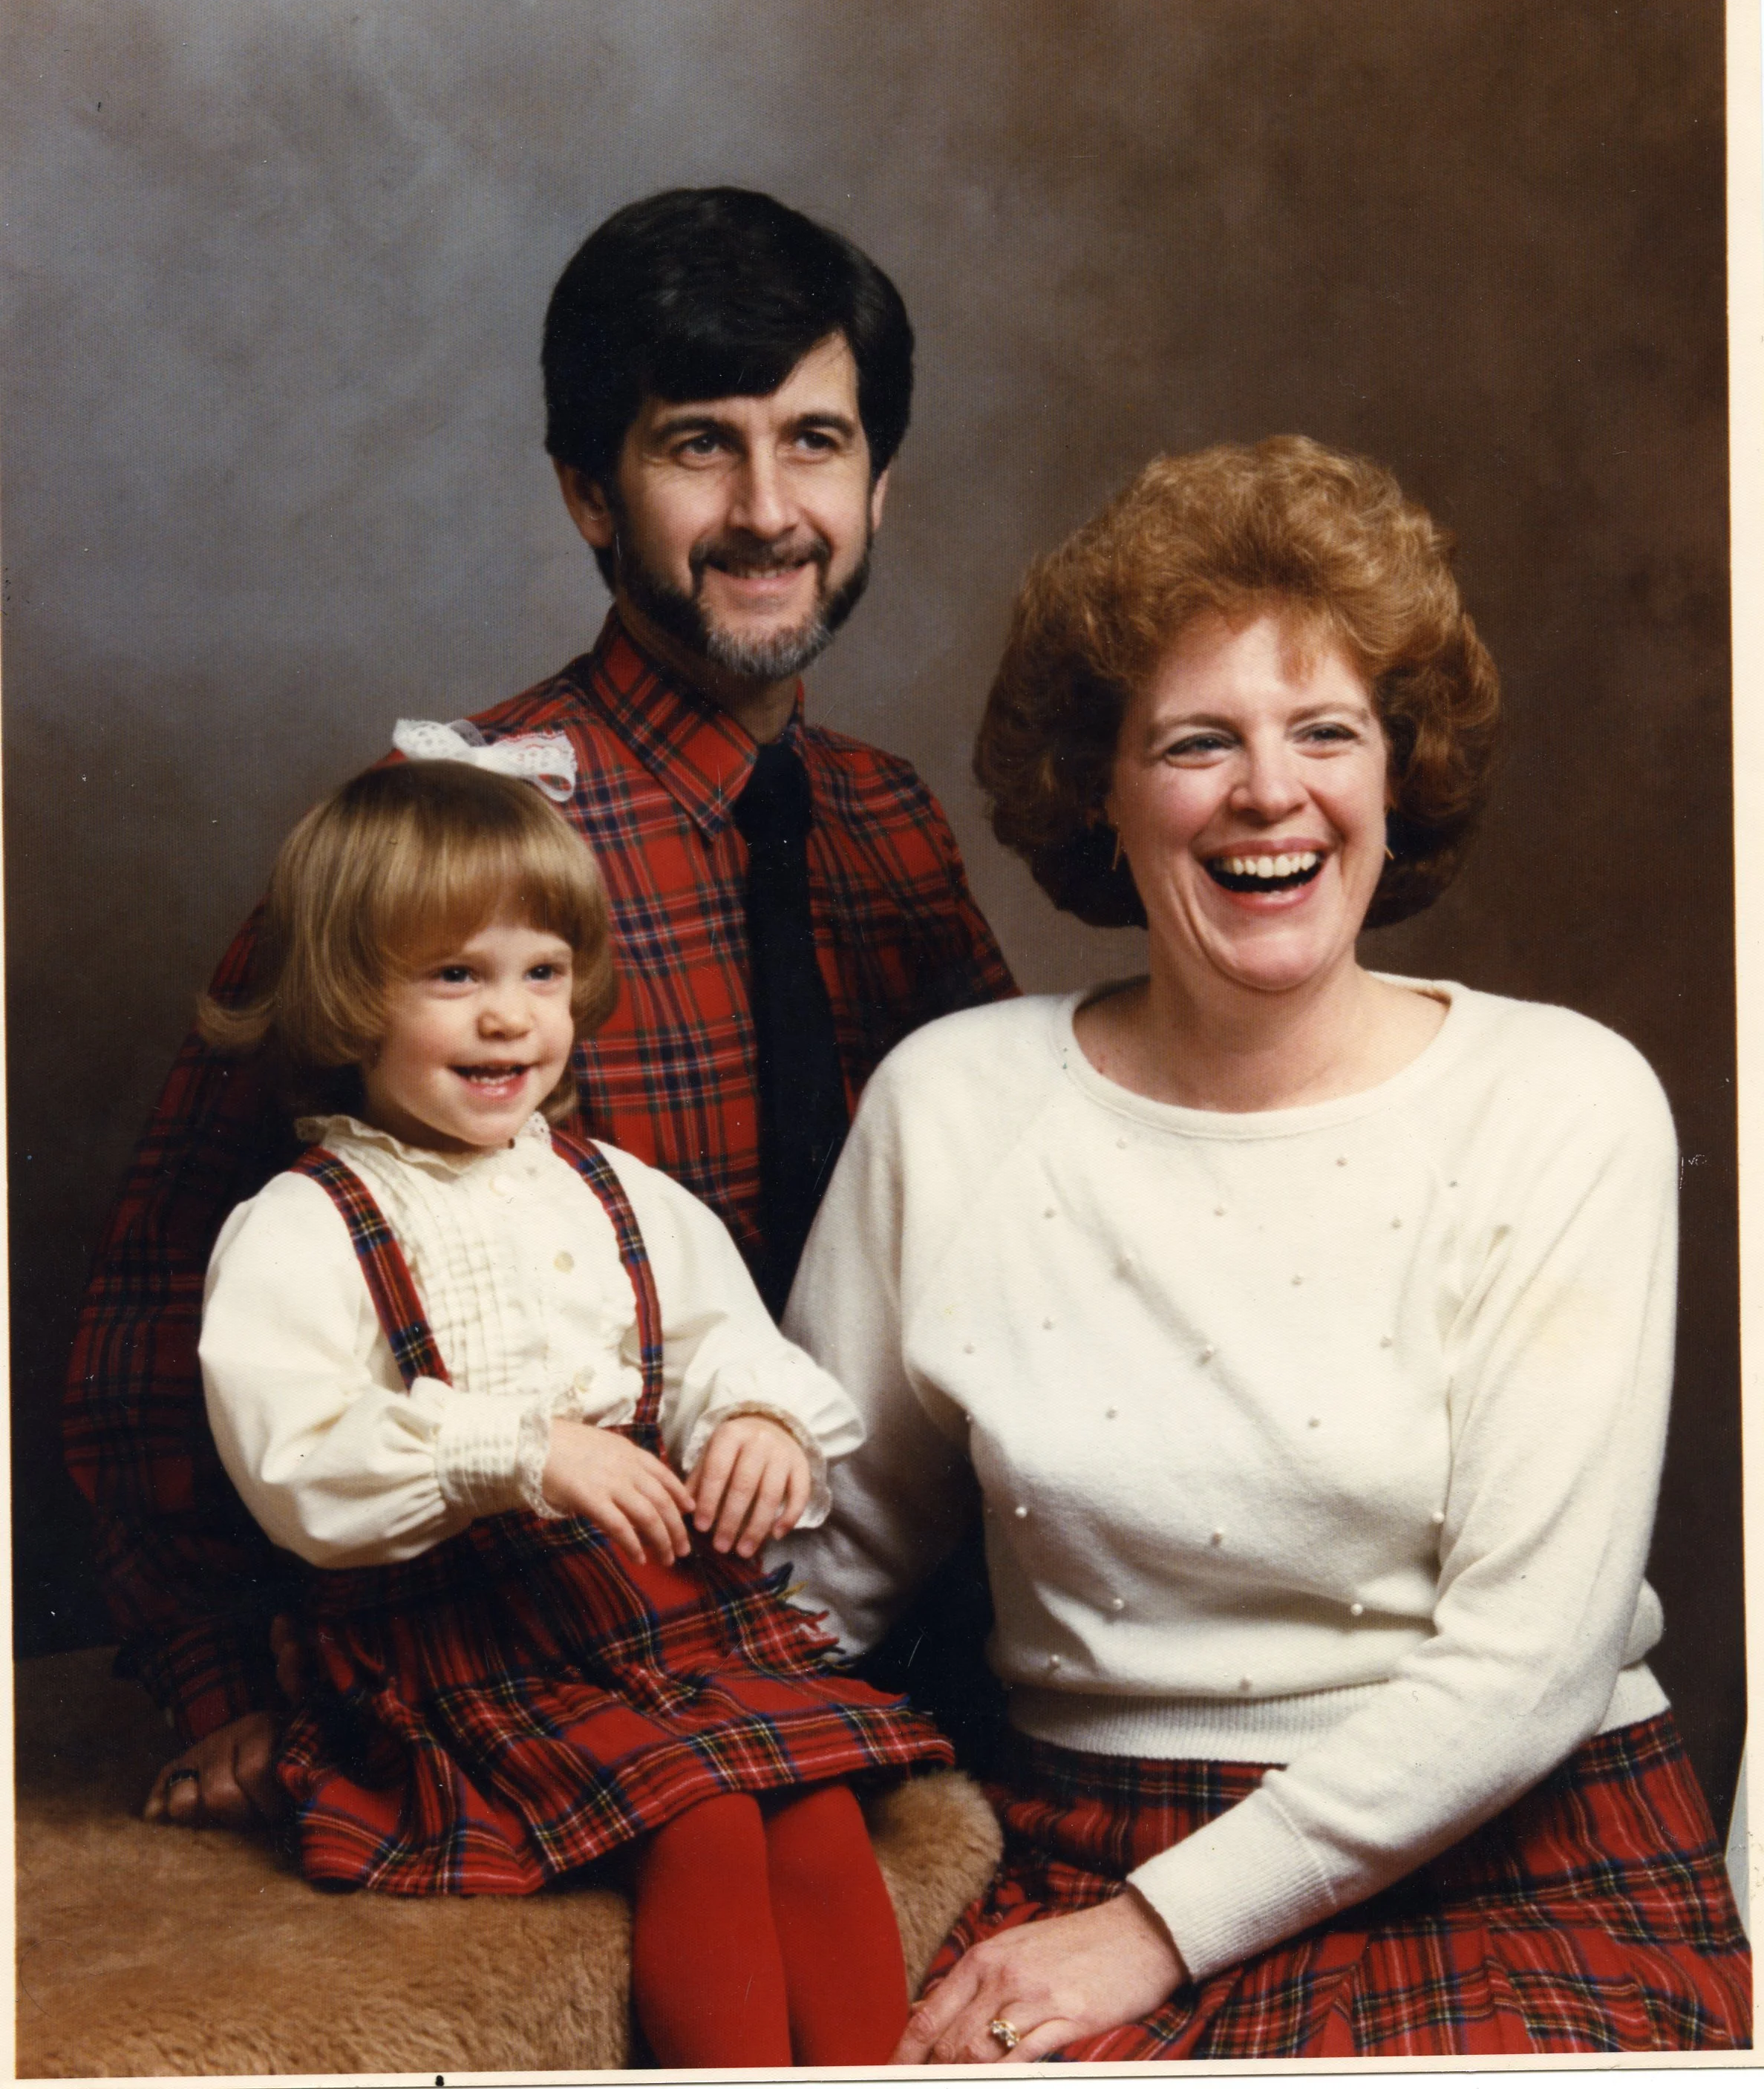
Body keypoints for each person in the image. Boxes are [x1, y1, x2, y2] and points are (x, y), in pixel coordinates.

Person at [778, 436, 1751, 2057]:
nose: (1268, 793)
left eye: (1325, 731)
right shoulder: (950, 1107)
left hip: (1517, 1855)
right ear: (1102, 783)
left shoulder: (1564, 1100)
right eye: (1197, 741)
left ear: (1398, 771)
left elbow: (1528, 1665)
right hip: (1080, 1847)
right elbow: (813, 1581)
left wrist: (1151, 1938)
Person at [64, 186, 1013, 1830]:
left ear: (881, 484)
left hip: (870, 1618)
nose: (768, 508)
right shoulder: (449, 840)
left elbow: (1007, 1226)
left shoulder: (890, 825)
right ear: (587, 489)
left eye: (817, 442)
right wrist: (221, 1680)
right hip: (546, 1638)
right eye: (697, 445)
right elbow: (160, 1319)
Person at [195, 748, 951, 2067]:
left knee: (815, 1804)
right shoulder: (309, 1223)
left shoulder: (620, 1191)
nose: (510, 1020)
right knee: (704, 1819)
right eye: (454, 976)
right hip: (455, 1634)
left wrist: (757, 1426)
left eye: (540, 973)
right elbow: (297, 1461)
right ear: (348, 994)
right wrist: (516, 1449)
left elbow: (729, 1345)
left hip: (651, 1605)